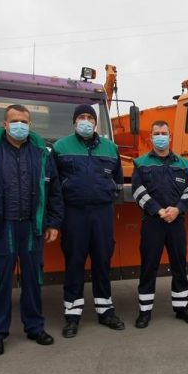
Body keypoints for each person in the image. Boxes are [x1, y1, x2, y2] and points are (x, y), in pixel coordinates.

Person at [0, 104, 63, 356]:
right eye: (15, 121)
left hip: (32, 227)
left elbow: (54, 190)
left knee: (33, 280)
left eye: (24, 122)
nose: (20, 126)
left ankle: (35, 327)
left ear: (30, 125)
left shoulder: (42, 152)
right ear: (5, 124)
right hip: (1, 227)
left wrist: (53, 222)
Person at [53, 104, 125, 337]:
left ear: (96, 122)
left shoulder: (110, 147)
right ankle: (72, 315)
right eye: (81, 117)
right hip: (74, 213)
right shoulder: (60, 147)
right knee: (74, 262)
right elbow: (53, 184)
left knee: (103, 260)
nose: (86, 121)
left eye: (89, 117)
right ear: (74, 121)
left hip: (102, 212)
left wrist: (109, 195)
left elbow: (118, 180)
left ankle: (106, 311)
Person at [131, 121, 188, 328]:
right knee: (149, 266)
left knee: (179, 265)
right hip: (153, 222)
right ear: (151, 138)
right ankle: (144, 311)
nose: (160, 136)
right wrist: (159, 210)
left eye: (164, 133)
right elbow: (137, 191)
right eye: (156, 133)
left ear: (170, 137)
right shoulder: (140, 163)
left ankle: (182, 308)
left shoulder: (183, 164)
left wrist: (178, 209)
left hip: (176, 221)